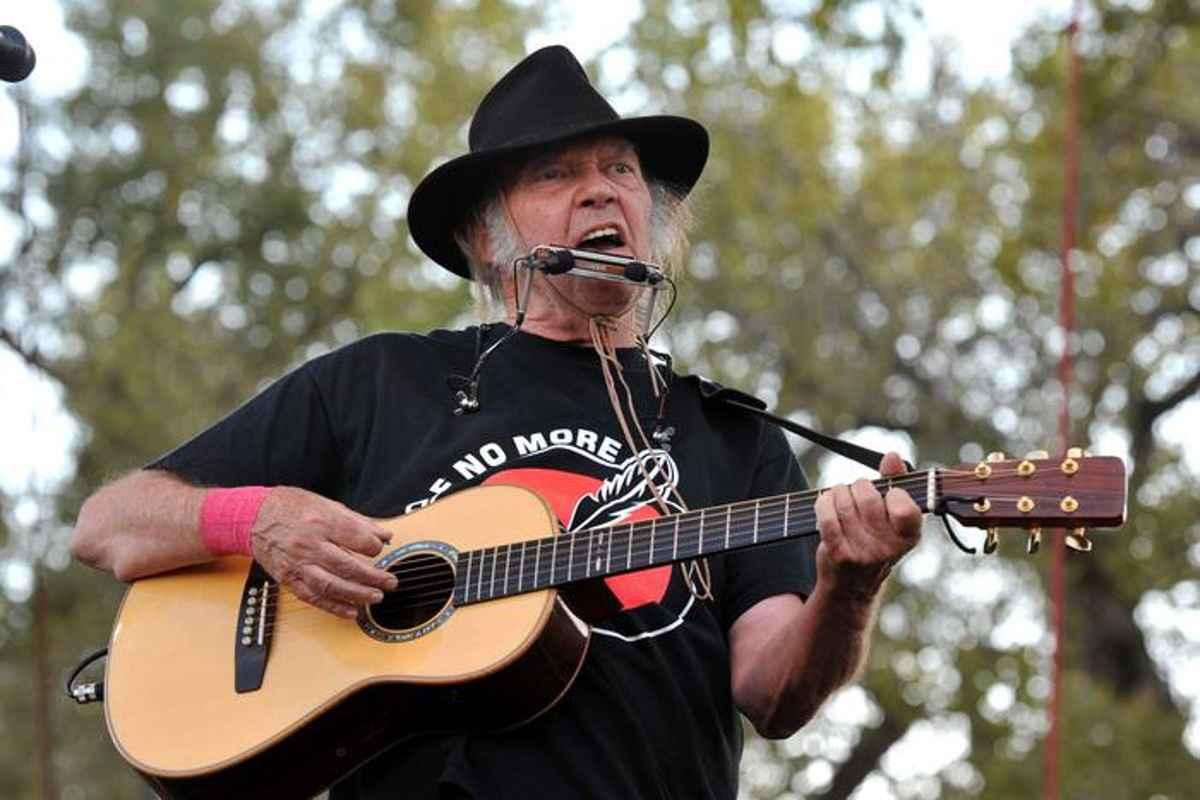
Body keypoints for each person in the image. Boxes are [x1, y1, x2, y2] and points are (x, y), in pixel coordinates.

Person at [71, 46, 922, 799]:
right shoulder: (382, 380)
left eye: (621, 169)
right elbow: (111, 524)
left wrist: (850, 586)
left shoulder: (729, 433)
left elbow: (773, 694)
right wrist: (255, 519)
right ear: (484, 237)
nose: (601, 189)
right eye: (555, 175)